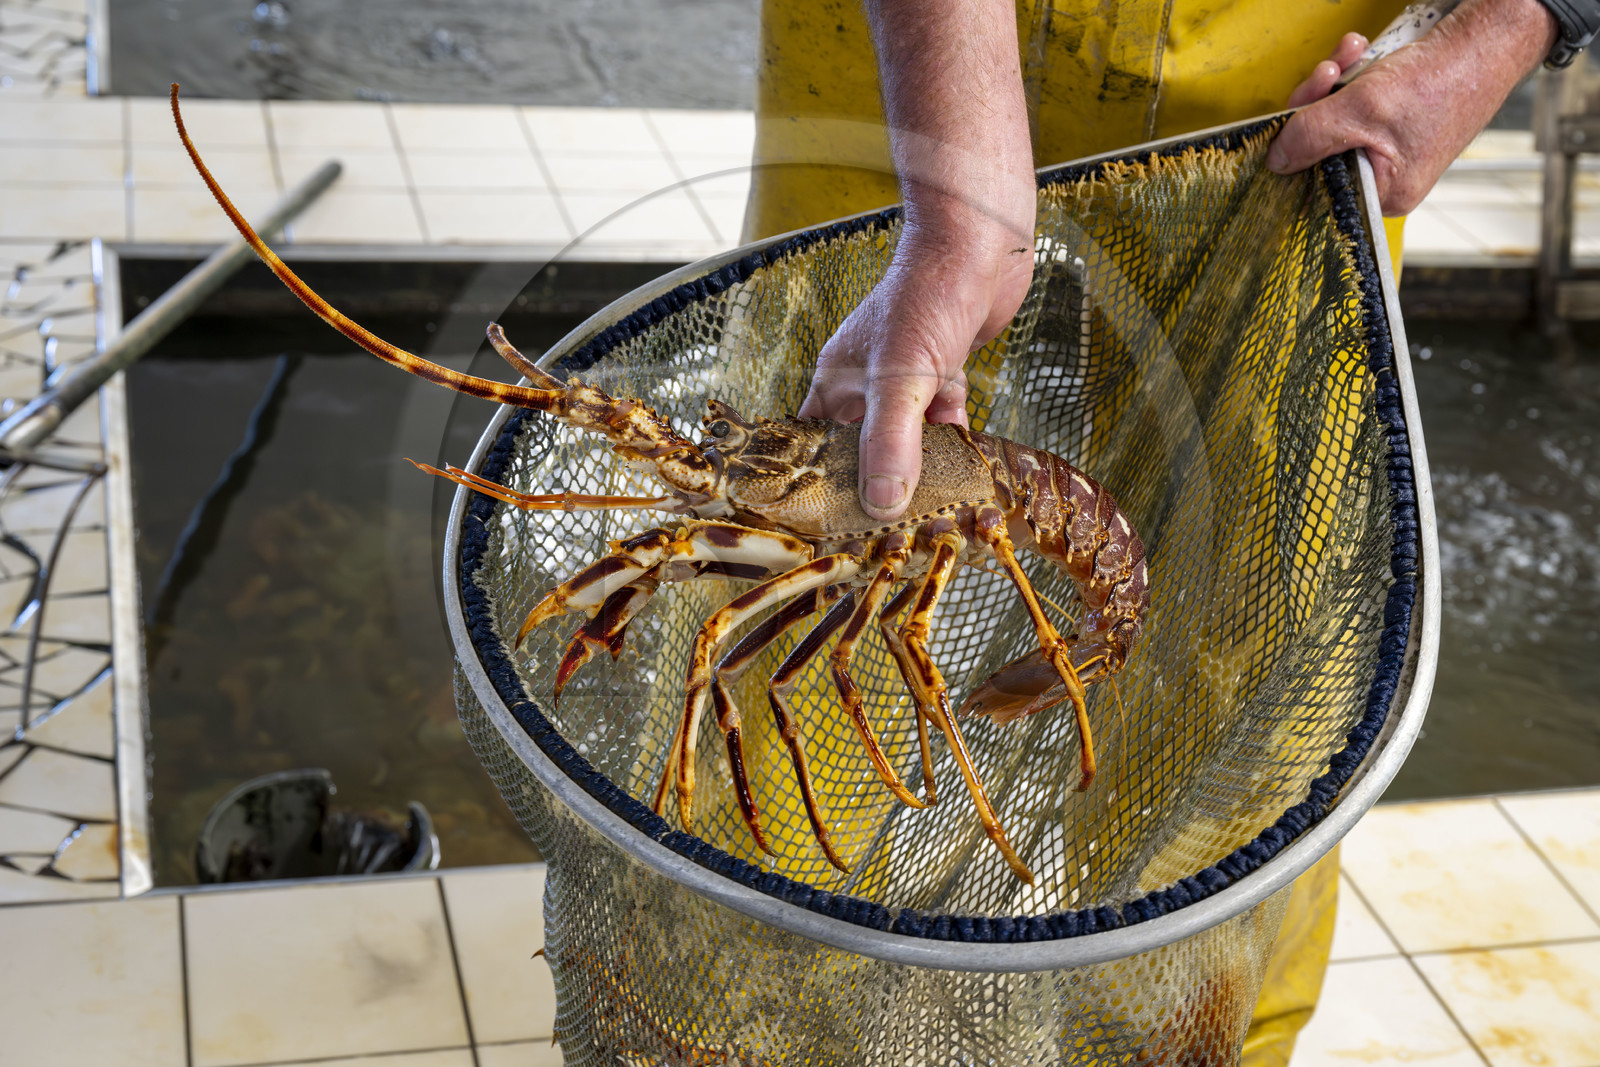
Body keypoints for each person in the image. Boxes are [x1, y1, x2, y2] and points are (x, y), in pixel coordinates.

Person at [739, 1, 1572, 1063]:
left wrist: (1505, 25)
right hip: (896, 54)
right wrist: (953, 203)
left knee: (1238, 698)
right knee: (773, 642)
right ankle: (750, 1015)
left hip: (1295, 91)